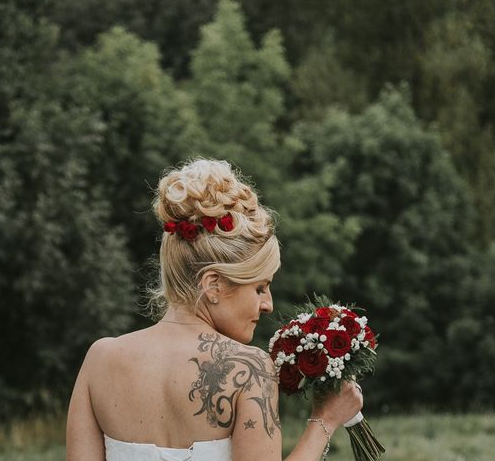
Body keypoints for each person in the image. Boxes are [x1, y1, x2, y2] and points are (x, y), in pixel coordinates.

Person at [67, 159, 363, 461]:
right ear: (213, 286)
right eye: (259, 287)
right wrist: (325, 420)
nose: (268, 304)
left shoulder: (100, 360)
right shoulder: (248, 370)